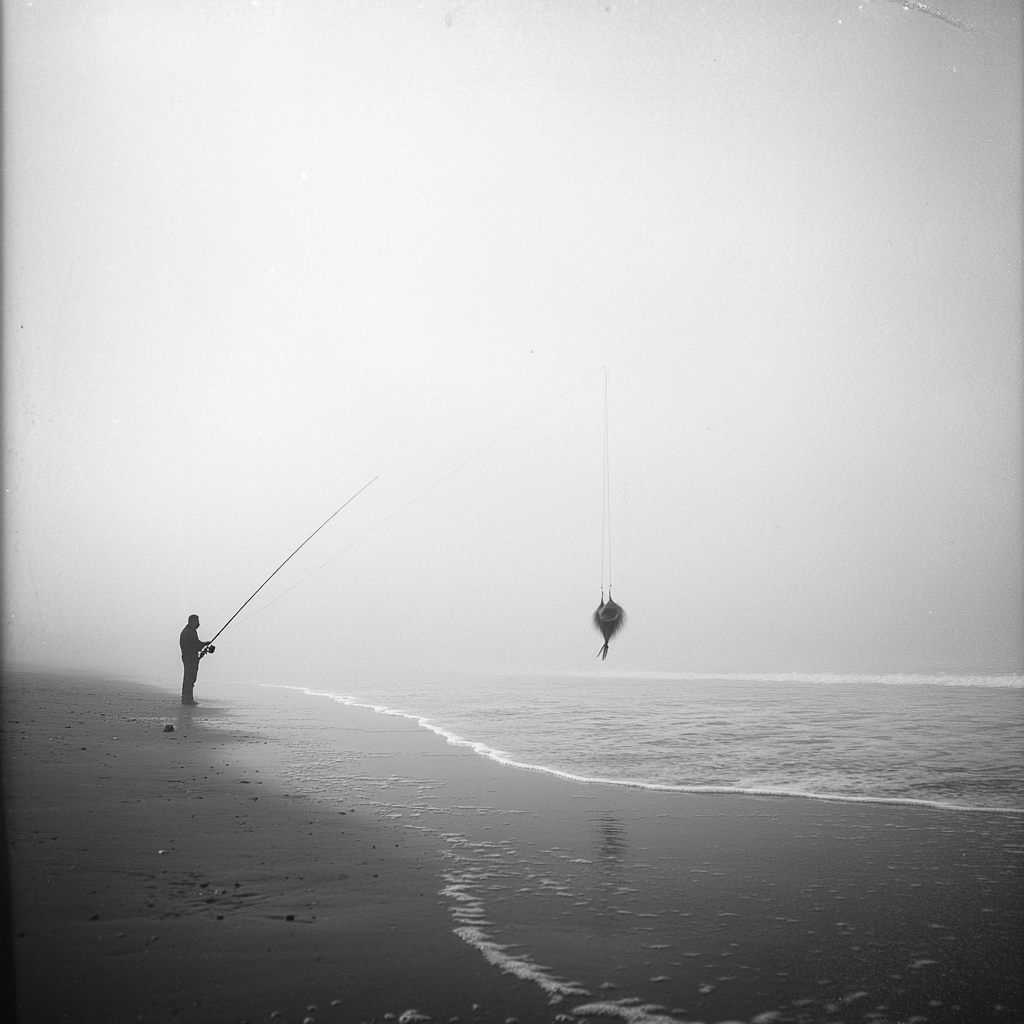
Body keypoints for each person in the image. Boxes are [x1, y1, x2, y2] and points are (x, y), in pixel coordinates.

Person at [179, 614, 214, 706]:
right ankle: (187, 699)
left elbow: (196, 644)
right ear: (191, 621)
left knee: (190, 678)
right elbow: (195, 645)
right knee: (190, 678)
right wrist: (203, 646)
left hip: (190, 657)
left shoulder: (190, 631)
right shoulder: (188, 632)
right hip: (189, 657)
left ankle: (187, 698)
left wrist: (205, 644)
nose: (198, 624)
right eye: (197, 621)